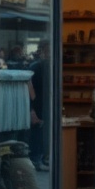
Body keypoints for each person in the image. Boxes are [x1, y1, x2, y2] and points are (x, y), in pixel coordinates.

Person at [28, 41, 51, 171]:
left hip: (44, 105)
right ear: (41, 51)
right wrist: (31, 109)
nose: (49, 54)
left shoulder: (47, 66)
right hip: (38, 105)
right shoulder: (35, 67)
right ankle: (36, 159)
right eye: (47, 50)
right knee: (37, 133)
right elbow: (29, 89)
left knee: (43, 133)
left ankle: (41, 158)